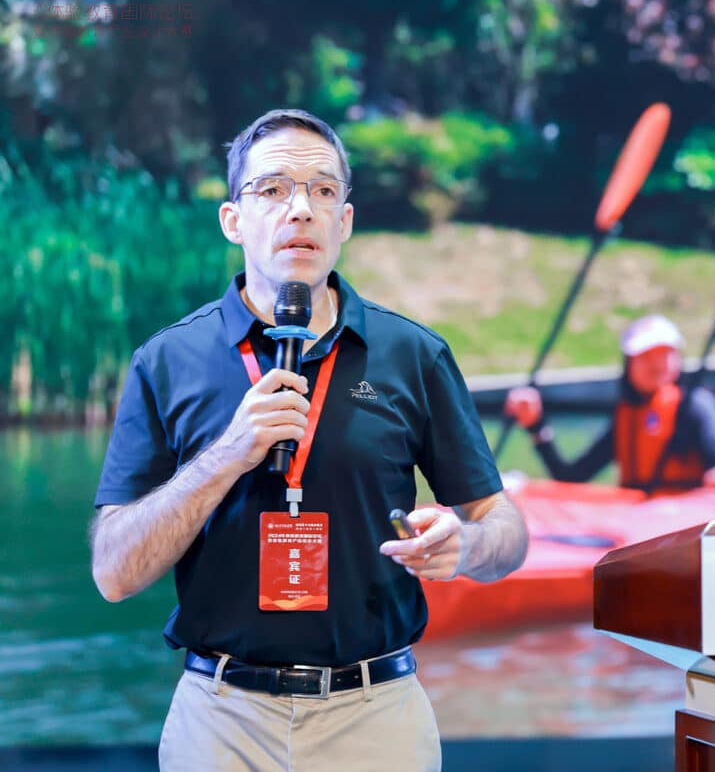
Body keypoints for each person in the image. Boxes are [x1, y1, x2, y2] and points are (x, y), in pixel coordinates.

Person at [89, 109, 528, 772]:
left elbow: (506, 532)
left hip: (376, 714)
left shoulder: (411, 354)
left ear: (344, 223)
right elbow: (114, 573)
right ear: (233, 221)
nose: (301, 209)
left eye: (323, 191)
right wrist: (228, 456)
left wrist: (468, 545)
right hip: (221, 718)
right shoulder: (167, 359)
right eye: (273, 190)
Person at [503, 314, 715, 491]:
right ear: (629, 364)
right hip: (639, 526)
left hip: (682, 524)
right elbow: (571, 478)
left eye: (665, 354)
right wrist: (537, 426)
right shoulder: (626, 416)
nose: (657, 364)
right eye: (647, 355)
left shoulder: (696, 406)